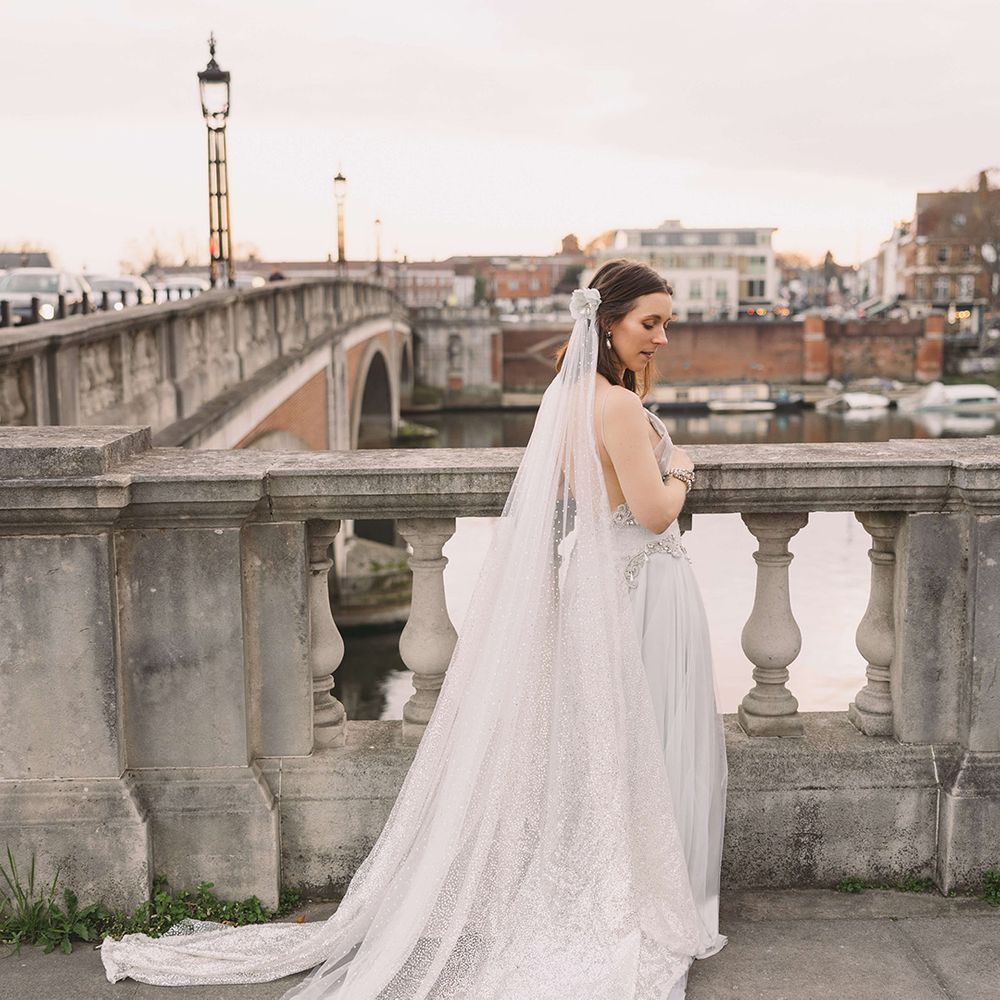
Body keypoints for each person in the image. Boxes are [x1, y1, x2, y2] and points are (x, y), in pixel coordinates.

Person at [101, 258, 727, 999]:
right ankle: (649, 893)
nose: (660, 338)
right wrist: (681, 465)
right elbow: (654, 512)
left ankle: (615, 880)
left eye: (666, 324)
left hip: (598, 585)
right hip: (641, 583)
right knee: (654, 740)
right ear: (608, 322)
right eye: (649, 323)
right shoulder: (618, 409)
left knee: (613, 746)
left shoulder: (563, 401)